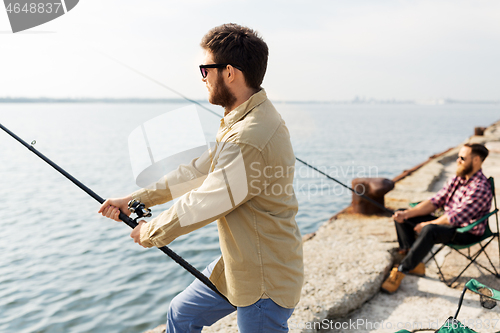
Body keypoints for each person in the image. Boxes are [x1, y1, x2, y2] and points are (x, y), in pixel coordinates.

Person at [98, 23, 304, 332]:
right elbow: (197, 171)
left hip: (264, 277)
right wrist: (134, 200)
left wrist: (151, 231)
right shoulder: (245, 120)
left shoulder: (249, 136)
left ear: (230, 72)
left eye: (205, 69)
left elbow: (205, 202)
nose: (203, 78)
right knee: (182, 315)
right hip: (239, 264)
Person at [381, 143, 492, 293]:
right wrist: (407, 214)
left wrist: (427, 224)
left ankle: (401, 270)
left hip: (466, 232)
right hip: (447, 223)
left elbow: (455, 217)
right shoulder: (458, 178)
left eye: (462, 158)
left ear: (476, 160)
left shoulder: (479, 187)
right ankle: (415, 262)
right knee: (402, 214)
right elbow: (435, 201)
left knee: (429, 229)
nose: (458, 161)